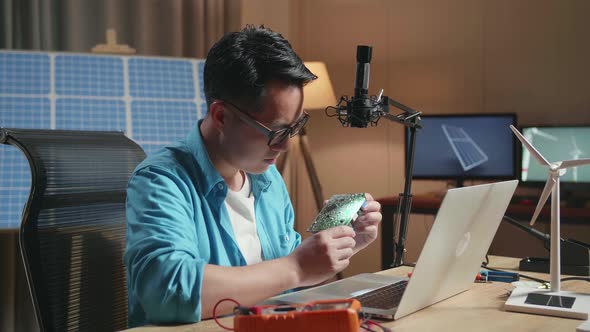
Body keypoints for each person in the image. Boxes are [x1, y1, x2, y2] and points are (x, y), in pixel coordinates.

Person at [123, 25, 382, 327]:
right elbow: (170, 293)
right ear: (221, 116)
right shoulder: (162, 180)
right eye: (276, 131)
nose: (285, 145)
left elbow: (283, 288)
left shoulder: (268, 181)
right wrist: (296, 267)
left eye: (294, 128)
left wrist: (343, 245)